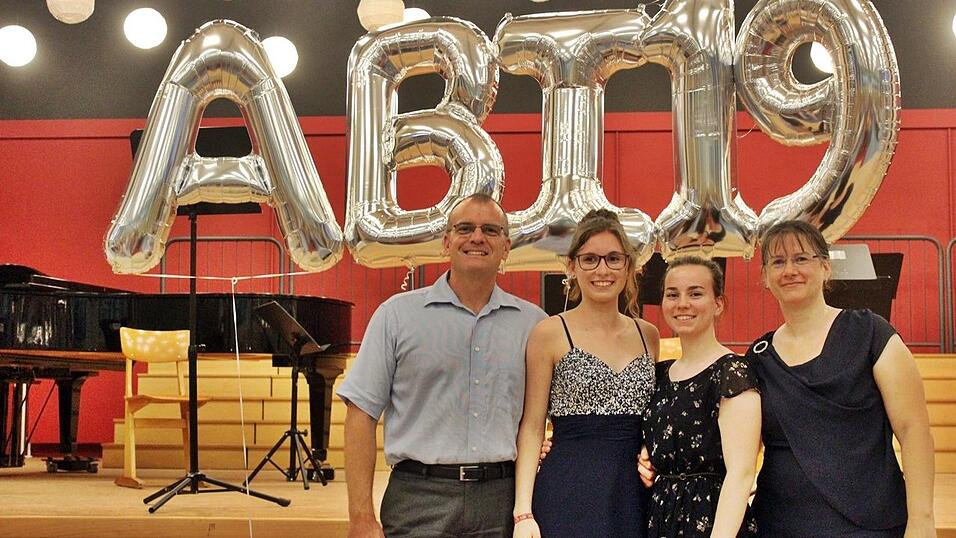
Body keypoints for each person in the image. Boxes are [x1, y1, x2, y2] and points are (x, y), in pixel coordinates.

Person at [338, 193, 547, 538]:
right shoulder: (396, 316)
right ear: (446, 242)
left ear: (507, 247)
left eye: (490, 230)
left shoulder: (534, 325)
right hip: (418, 499)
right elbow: (360, 414)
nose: (477, 237)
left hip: (501, 500)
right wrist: (360, 516)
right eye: (465, 228)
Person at [745, 220, 936, 537]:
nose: (789, 269)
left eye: (801, 258)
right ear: (765, 277)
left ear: (825, 267)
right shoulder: (759, 356)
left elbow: (913, 429)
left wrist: (922, 521)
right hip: (778, 525)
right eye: (778, 262)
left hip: (869, 526)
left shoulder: (871, 333)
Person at [512, 209, 660, 538]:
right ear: (572, 266)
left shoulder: (648, 335)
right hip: (568, 489)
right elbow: (533, 426)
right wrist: (523, 512)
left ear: (628, 266)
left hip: (632, 493)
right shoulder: (548, 333)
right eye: (590, 259)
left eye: (613, 259)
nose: (602, 270)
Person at [642, 256, 760, 537]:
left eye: (695, 293)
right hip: (661, 517)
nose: (682, 303)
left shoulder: (732, 372)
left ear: (718, 303)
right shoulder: (659, 375)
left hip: (713, 520)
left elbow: (741, 473)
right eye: (673, 294)